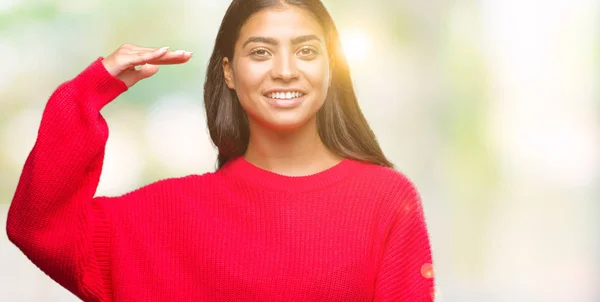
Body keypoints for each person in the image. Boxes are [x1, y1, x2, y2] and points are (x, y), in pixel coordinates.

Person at [6, 0, 435, 301]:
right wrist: (88, 91)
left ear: (330, 68)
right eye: (261, 52)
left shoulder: (386, 201)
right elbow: (41, 227)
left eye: (306, 51)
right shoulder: (165, 217)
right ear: (228, 72)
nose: (285, 71)